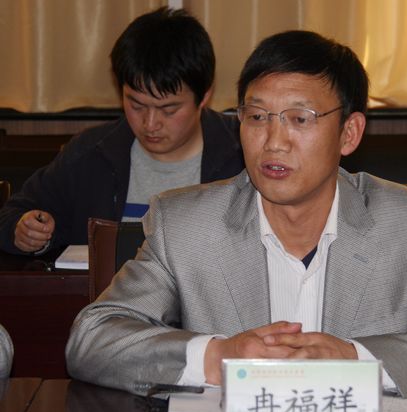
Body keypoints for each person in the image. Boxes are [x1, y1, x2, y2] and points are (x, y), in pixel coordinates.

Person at [66, 30, 407, 397]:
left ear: (349, 133)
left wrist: (354, 359)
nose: (274, 141)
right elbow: (93, 339)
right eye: (257, 117)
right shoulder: (185, 224)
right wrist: (217, 357)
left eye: (300, 119)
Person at [0, 7, 244, 255]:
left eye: (168, 110)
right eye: (136, 105)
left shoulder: (243, 154)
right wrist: (25, 231)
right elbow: (13, 215)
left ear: (204, 96)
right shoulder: (92, 152)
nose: (150, 123)